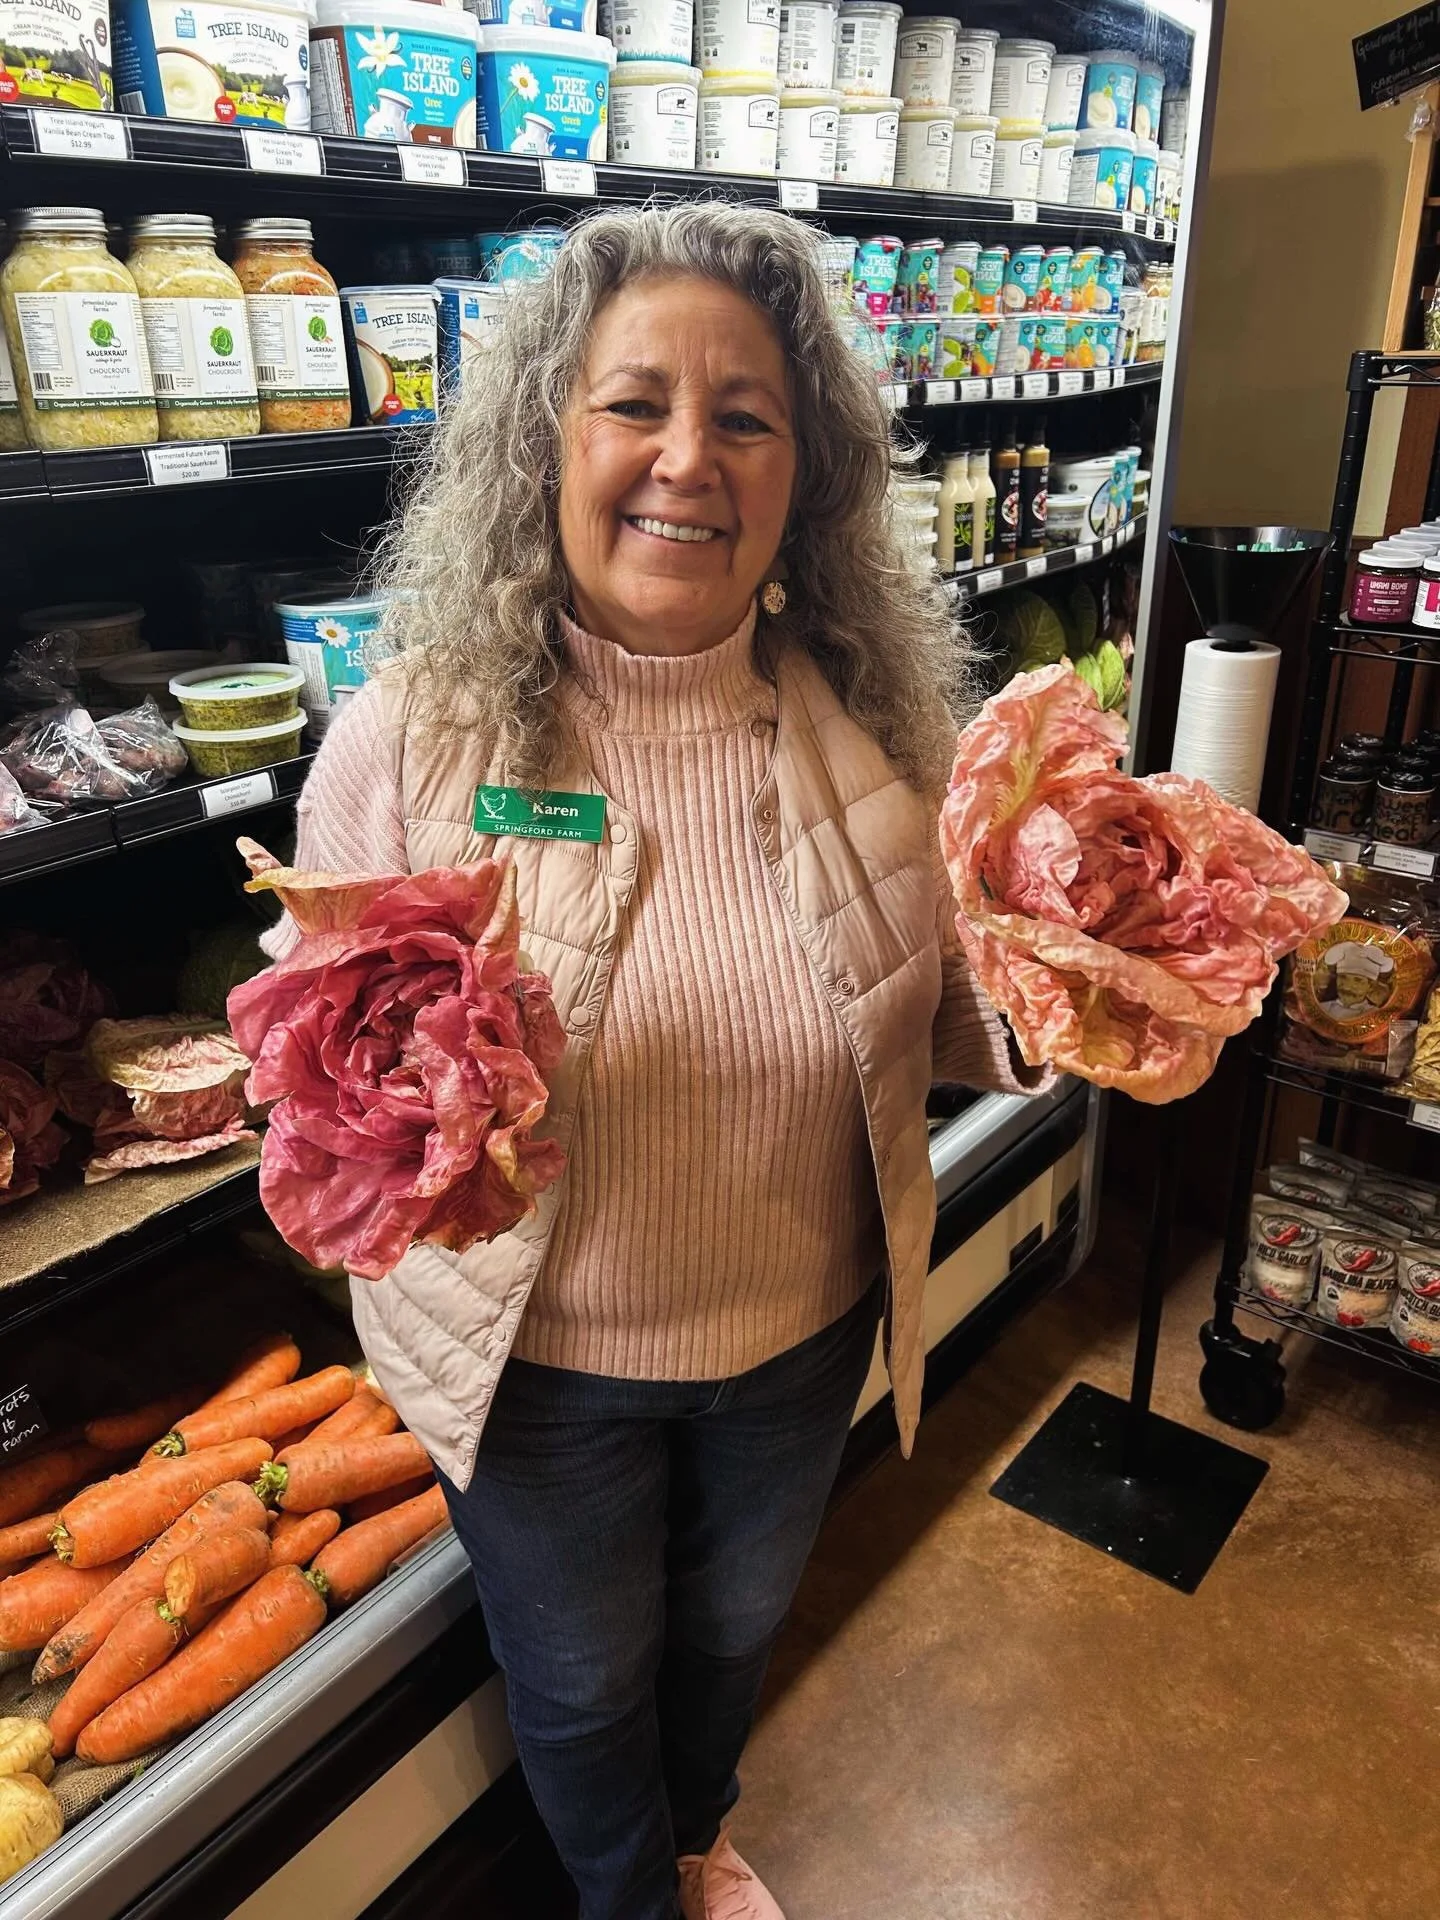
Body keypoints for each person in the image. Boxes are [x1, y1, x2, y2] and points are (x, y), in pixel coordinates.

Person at [279, 201, 1041, 1920]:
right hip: (532, 1371)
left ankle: (695, 1850)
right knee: (573, 1687)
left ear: (806, 471)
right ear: (548, 437)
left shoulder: (883, 725)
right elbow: (309, 1059)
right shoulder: (416, 728)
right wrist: (390, 1120)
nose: (685, 459)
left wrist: (1085, 996)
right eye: (634, 404)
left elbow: (946, 1015)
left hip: (795, 1333)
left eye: (746, 416)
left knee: (726, 1645)